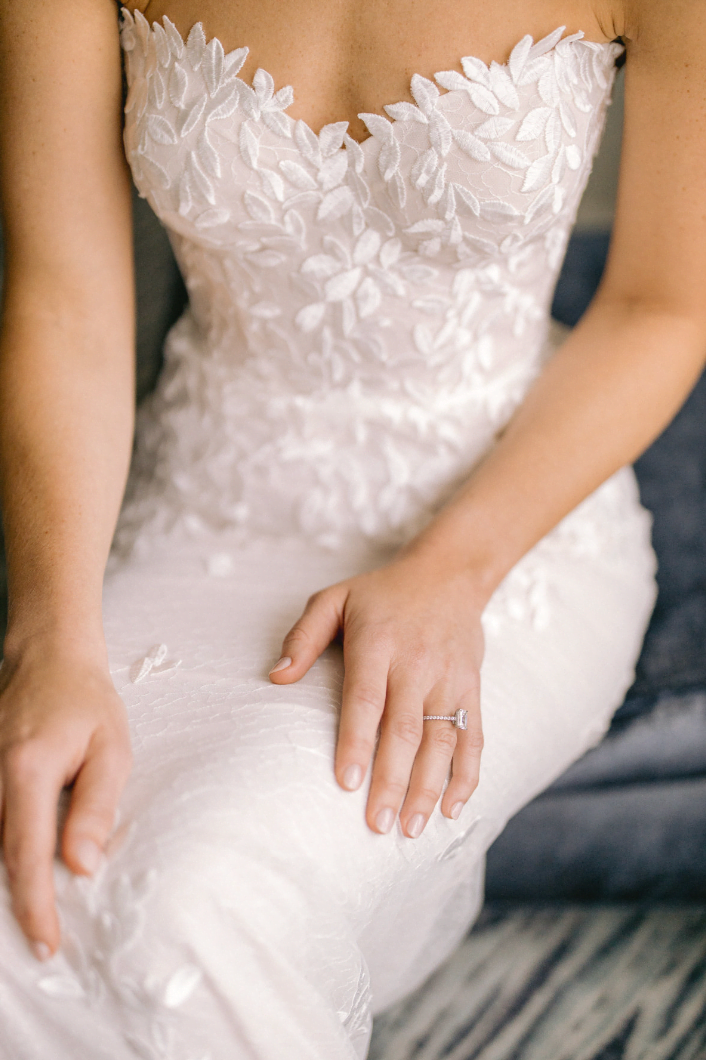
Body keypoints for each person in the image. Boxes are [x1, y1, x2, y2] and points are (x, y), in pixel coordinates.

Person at [0, 0, 703, 1055]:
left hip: (508, 534)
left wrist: (452, 573)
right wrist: (50, 635)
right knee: (27, 895)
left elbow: (664, 306)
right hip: (196, 506)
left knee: (203, 894)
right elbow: (65, 304)